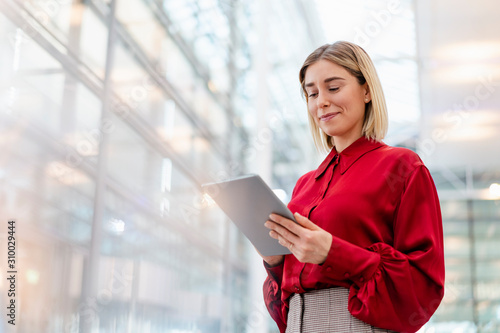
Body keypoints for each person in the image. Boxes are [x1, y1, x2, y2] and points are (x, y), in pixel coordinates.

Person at [261, 41, 445, 333]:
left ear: (367, 90)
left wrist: (332, 253)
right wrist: (274, 263)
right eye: (312, 93)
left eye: (333, 88)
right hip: (298, 321)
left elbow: (424, 284)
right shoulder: (304, 185)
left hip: (356, 322)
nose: (320, 101)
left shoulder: (403, 167)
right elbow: (283, 304)